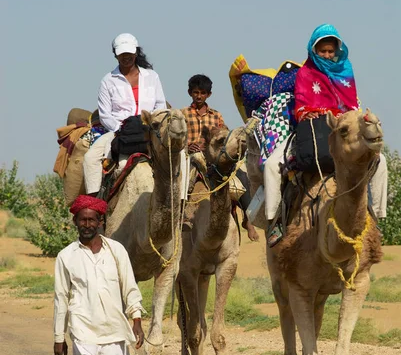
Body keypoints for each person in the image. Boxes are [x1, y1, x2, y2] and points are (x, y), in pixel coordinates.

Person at [263, 24, 388, 229]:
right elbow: (301, 105)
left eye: (331, 51)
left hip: (344, 130)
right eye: (323, 51)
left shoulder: (345, 71)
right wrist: (308, 112)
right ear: (314, 50)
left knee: (379, 160)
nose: (328, 55)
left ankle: (376, 216)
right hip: (311, 129)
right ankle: (275, 221)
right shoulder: (305, 72)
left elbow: (352, 106)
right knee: (272, 165)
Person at [53, 195, 145, 355]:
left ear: (101, 221)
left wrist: (136, 318)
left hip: (115, 329)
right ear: (75, 222)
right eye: (82, 219)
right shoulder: (65, 257)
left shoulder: (116, 251)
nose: (86, 224)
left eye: (91, 219)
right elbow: (61, 298)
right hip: (84, 330)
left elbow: (130, 287)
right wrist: (59, 336)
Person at [83, 33, 167, 196]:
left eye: (129, 53)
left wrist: (153, 124)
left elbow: (160, 105)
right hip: (119, 131)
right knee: (90, 158)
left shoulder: (152, 77)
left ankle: (181, 202)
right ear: (115, 54)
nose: (126, 57)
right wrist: (121, 129)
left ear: (135, 52)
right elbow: (105, 114)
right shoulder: (108, 80)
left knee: (180, 155)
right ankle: (95, 206)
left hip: (149, 129)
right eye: (122, 53)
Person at [182, 74, 259, 241]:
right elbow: (177, 138)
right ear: (190, 93)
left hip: (213, 158)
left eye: (203, 92)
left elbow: (224, 136)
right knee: (187, 174)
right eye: (196, 92)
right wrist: (188, 146)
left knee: (241, 176)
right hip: (190, 157)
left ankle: (249, 218)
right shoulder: (182, 114)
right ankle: (185, 213)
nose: (199, 96)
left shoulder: (216, 116)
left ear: (208, 94)